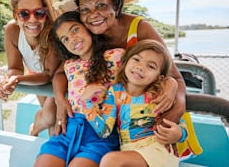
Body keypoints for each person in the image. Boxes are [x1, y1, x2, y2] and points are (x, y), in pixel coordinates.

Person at [54, 0, 186, 135]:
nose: (93, 15)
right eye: (85, 10)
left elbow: (174, 76)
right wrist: (59, 99)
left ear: (115, 5)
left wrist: (177, 108)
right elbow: (60, 72)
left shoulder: (140, 29)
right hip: (112, 124)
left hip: (148, 119)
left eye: (101, 5)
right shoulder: (89, 37)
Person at [34, 11, 124, 167]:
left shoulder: (116, 56)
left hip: (100, 132)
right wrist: (60, 98)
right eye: (65, 39)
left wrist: (170, 82)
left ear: (88, 27)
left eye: (75, 29)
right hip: (67, 130)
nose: (72, 39)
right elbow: (59, 74)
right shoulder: (69, 65)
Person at [80, 39, 187, 167]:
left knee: (110, 160)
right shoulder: (115, 92)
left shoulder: (159, 94)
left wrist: (179, 135)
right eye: (136, 59)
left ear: (159, 77)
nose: (140, 67)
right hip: (129, 152)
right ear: (126, 62)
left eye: (151, 66)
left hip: (157, 150)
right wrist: (87, 103)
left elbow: (178, 124)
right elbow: (104, 131)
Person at [0, 0, 61, 136]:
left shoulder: (53, 32)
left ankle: (34, 132)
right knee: (50, 118)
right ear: (15, 15)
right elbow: (15, 67)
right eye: (24, 14)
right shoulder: (12, 30)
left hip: (58, 77)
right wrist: (8, 81)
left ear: (47, 13)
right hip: (35, 76)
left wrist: (17, 79)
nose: (32, 20)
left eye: (39, 13)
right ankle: (42, 140)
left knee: (52, 117)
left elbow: (48, 74)